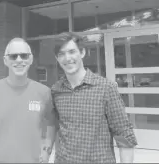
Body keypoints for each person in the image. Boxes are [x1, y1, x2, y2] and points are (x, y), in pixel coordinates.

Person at [44, 32, 137, 163]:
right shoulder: (56, 90)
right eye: (61, 54)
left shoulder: (106, 88)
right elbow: (54, 127)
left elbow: (124, 135)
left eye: (72, 52)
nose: (67, 58)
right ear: (57, 58)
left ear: (82, 53)